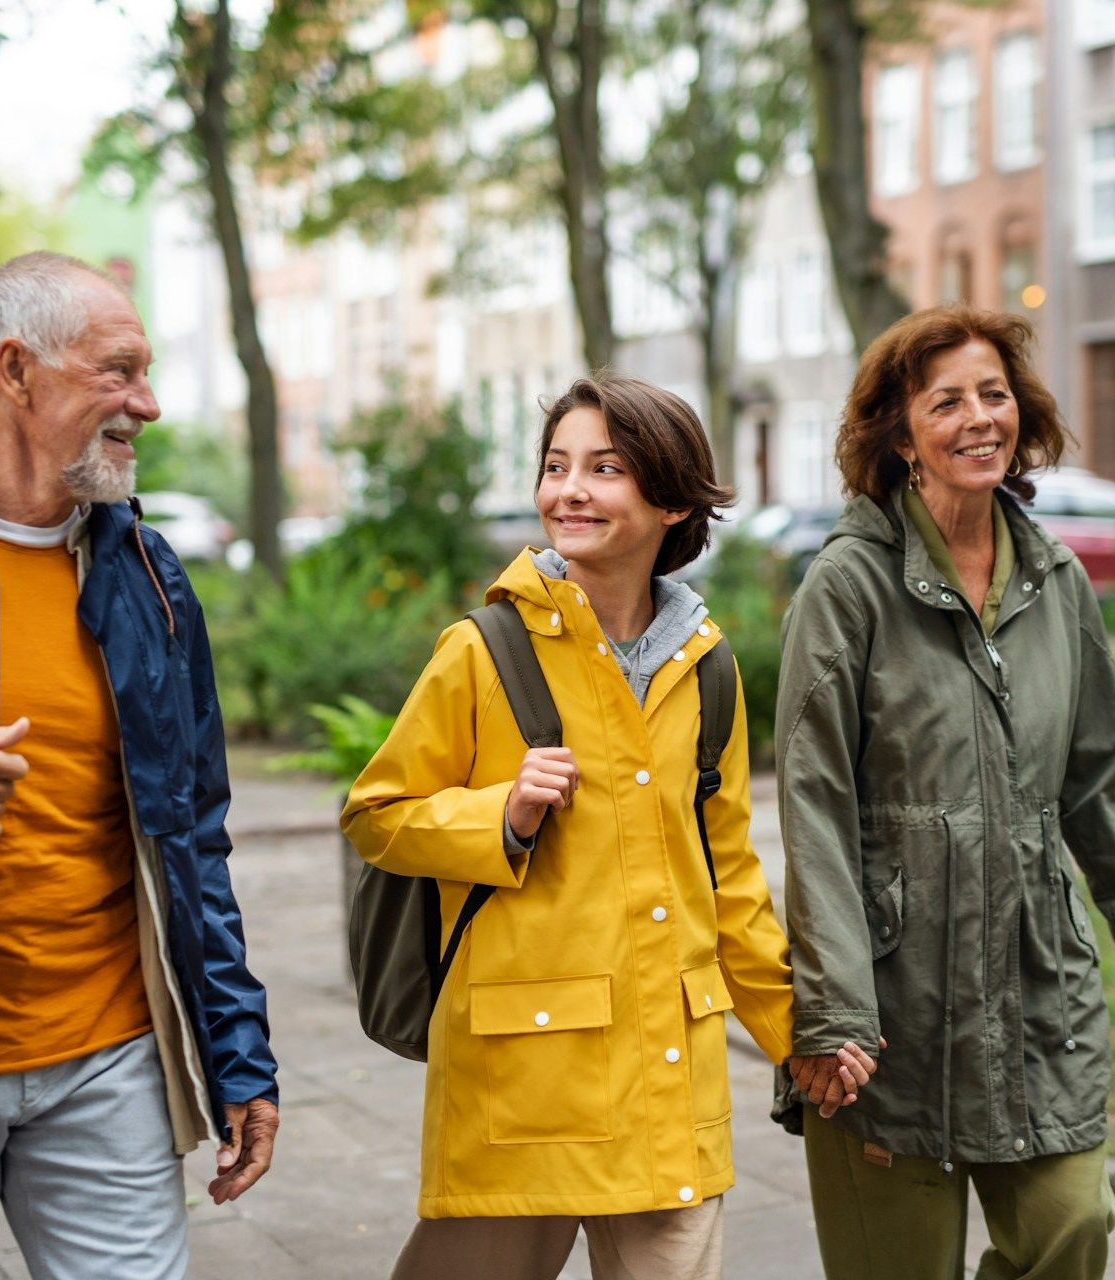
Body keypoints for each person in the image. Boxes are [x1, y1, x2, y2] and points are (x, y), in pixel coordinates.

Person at [343, 374, 877, 1280]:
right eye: (557, 466)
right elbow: (377, 814)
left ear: (671, 500)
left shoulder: (707, 672)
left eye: (606, 468)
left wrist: (800, 1036)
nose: (569, 490)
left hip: (672, 1092)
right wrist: (499, 815)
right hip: (524, 1092)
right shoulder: (484, 649)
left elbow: (729, 880)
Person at [0, 252, 279, 1280]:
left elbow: (193, 833)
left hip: (108, 1057)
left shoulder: (148, 574)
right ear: (16, 369)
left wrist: (237, 1053)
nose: (149, 403)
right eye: (118, 370)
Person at [776, 304, 1115, 1279]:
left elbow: (1093, 784)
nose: (978, 417)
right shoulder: (846, 584)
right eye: (946, 400)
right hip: (890, 1001)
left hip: (1035, 983)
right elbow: (812, 803)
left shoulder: (1053, 580)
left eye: (994, 394)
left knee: (1071, 1224)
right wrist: (832, 1007)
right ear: (896, 431)